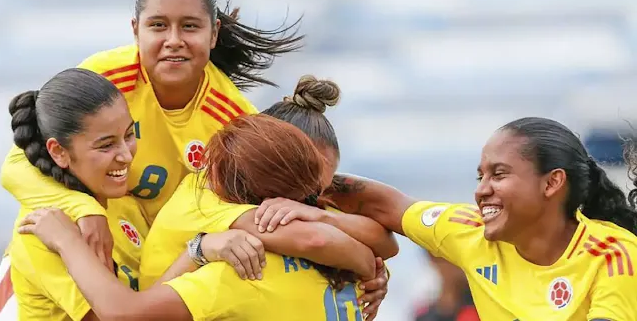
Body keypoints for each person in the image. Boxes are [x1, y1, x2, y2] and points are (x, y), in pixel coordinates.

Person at [0, 0, 303, 309]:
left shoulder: (234, 120)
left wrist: (360, 265)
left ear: (213, 33)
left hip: (148, 281)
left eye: (190, 26)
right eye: (158, 25)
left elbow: (271, 209)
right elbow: (19, 164)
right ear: (135, 29)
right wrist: (84, 211)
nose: (174, 41)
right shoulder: (105, 79)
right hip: (64, 257)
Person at [259, 117, 637, 320]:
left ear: (552, 182)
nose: (481, 190)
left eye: (499, 174)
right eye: (480, 176)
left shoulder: (614, 254)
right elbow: (384, 203)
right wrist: (302, 193)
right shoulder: (469, 231)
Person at [19, 114, 376, 320]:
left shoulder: (240, 269)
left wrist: (198, 251)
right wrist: (370, 266)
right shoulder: (341, 261)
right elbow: (370, 245)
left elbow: (125, 315)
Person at [5, 68, 267, 321]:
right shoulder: (42, 233)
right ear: (59, 152)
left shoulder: (122, 201)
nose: (126, 155)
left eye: (130, 134)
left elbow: (147, 303)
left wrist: (202, 249)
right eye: (106, 145)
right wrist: (199, 250)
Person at [140, 75, 397, 319]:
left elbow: (386, 243)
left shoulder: (291, 202)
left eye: (318, 189)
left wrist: (321, 215)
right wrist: (366, 266)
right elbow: (316, 240)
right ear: (269, 165)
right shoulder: (207, 200)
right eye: (305, 185)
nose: (310, 196)